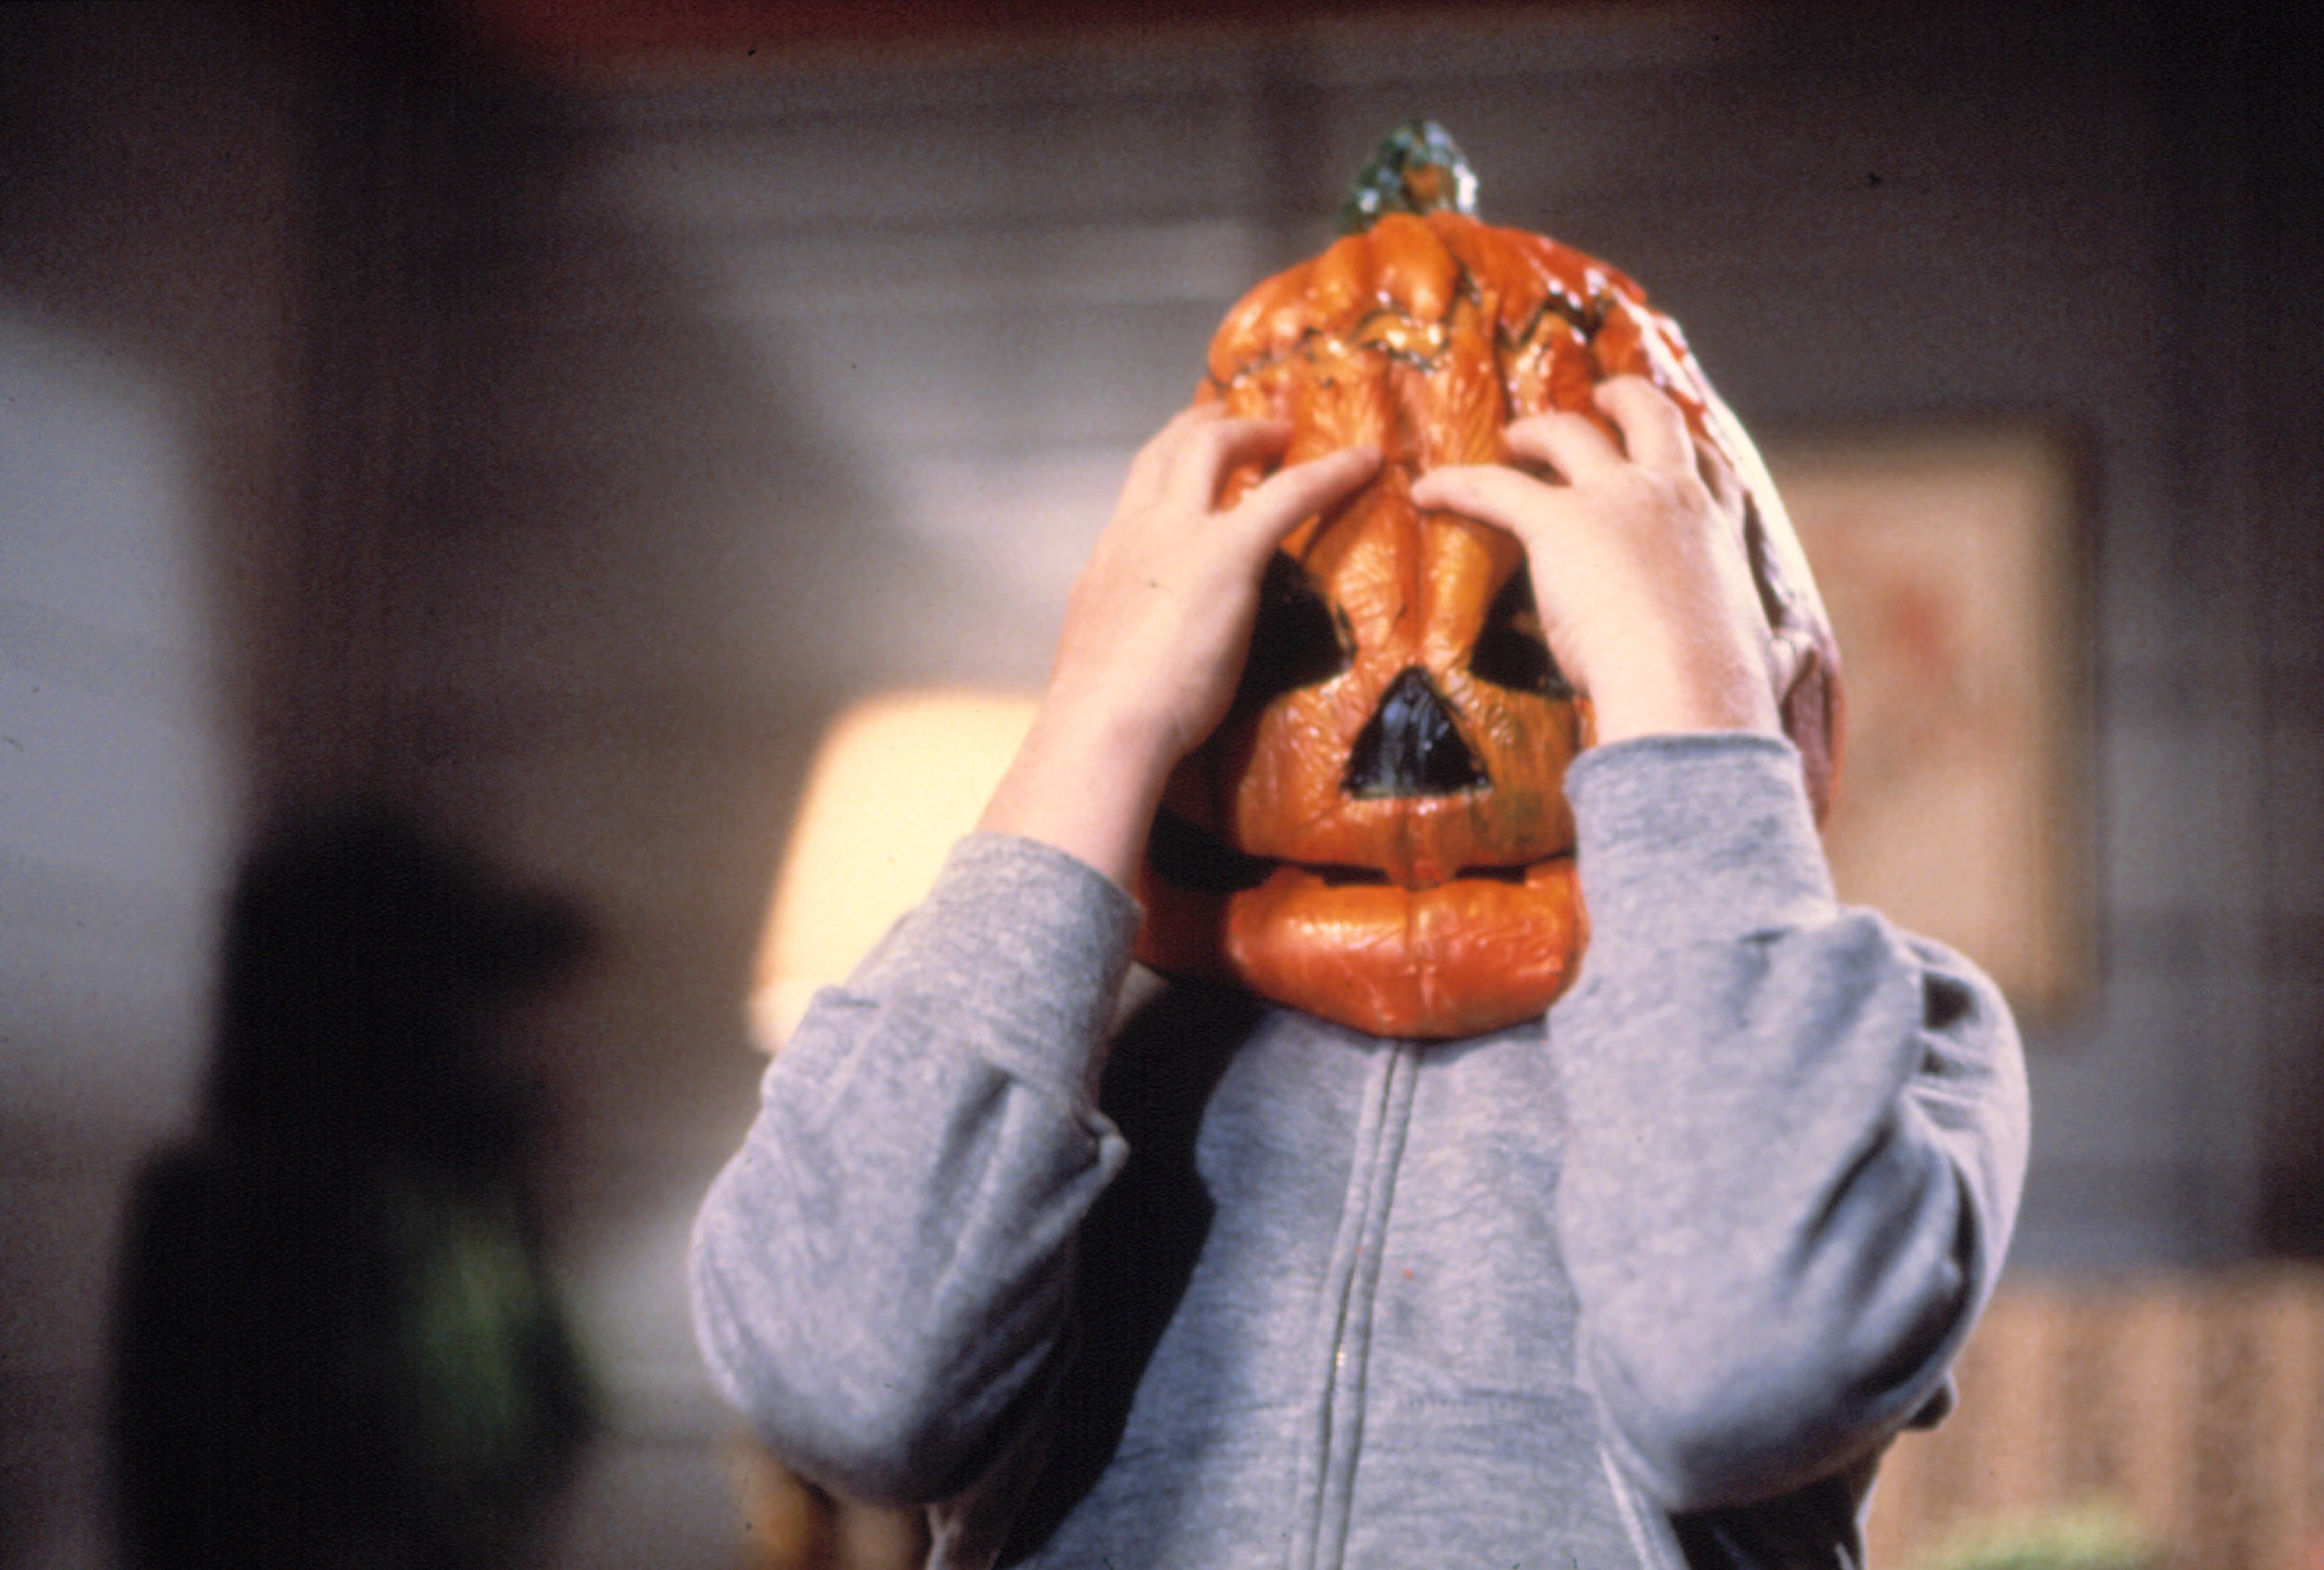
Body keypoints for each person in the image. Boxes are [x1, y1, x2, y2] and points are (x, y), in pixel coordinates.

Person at [688, 378, 2030, 1568]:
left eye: (1536, 643)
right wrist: (1099, 717)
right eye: (1287, 646)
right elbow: (846, 1384)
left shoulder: (1886, 1026)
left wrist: (1673, 701)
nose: (1409, 750)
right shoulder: (1074, 1033)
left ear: (1774, 693)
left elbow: (1736, 1367)